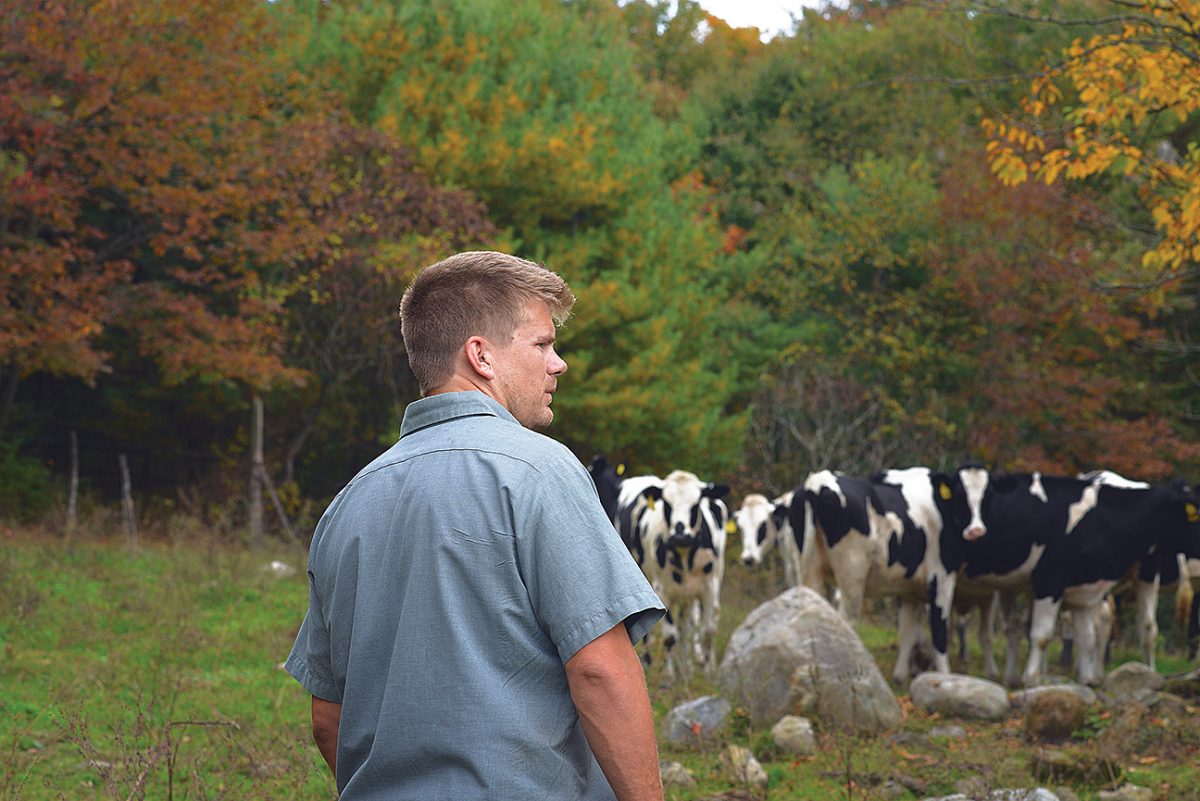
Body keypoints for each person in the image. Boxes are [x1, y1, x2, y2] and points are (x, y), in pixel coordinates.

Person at [285, 250, 667, 801]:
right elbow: (601, 671)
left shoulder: (348, 503)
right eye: (541, 344)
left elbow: (328, 716)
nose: (557, 363)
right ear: (481, 356)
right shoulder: (541, 471)